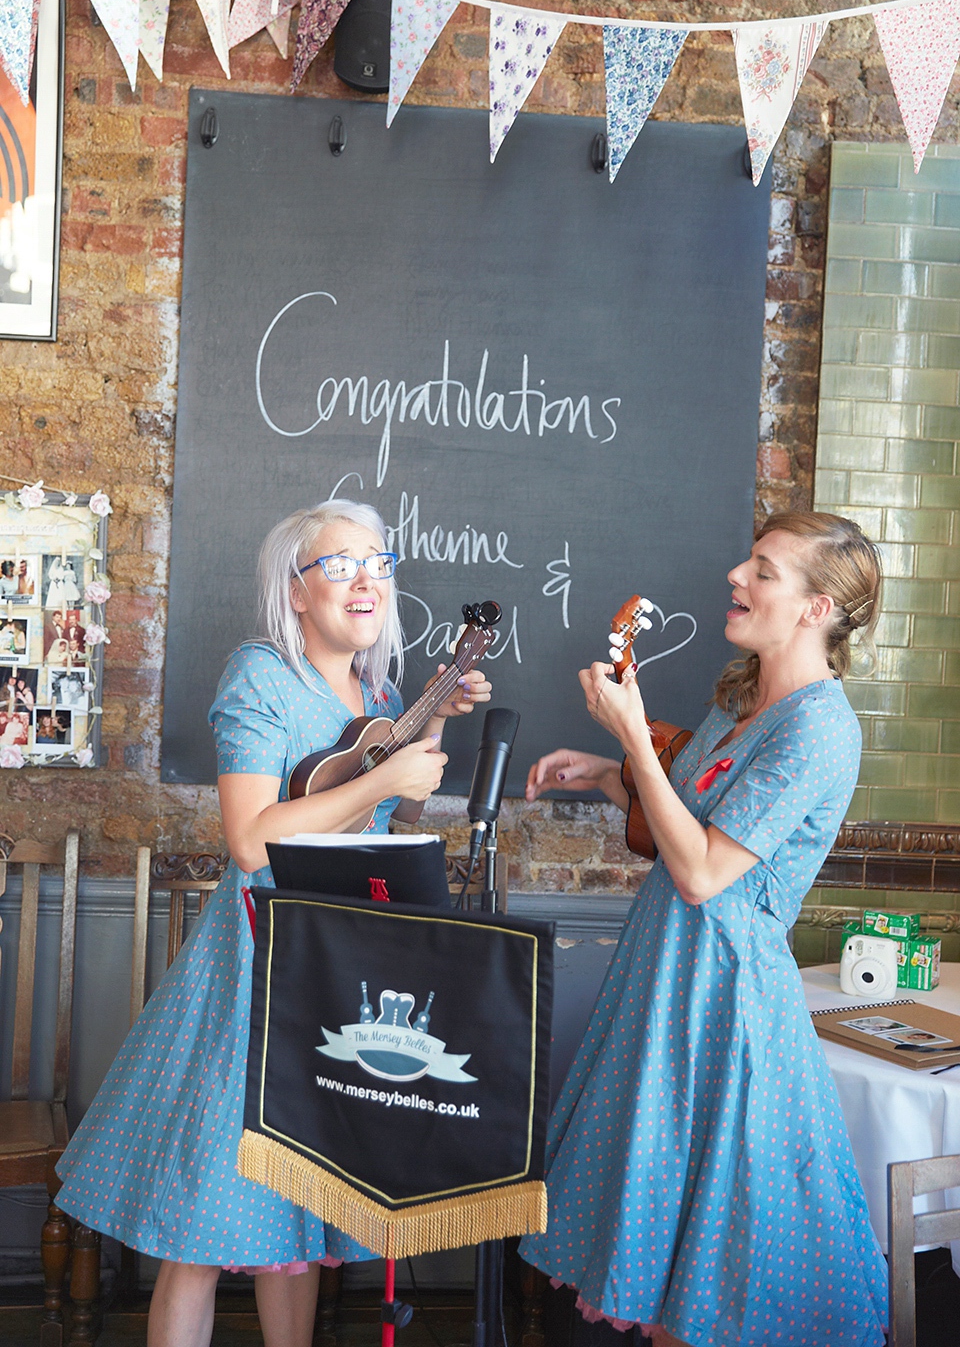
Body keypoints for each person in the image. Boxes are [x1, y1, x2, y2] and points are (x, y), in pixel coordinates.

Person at [55, 498, 492, 1347]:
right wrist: (383, 780)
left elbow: (370, 819)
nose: (365, 579)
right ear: (296, 591)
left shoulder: (380, 689)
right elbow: (252, 842)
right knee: (204, 1225)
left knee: (298, 1217)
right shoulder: (259, 675)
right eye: (339, 564)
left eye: (378, 562)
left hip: (339, 958)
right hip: (257, 959)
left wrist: (434, 721)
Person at [518, 512, 887, 1347]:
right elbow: (684, 816)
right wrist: (609, 772)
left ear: (814, 608)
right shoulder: (739, 703)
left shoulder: (822, 730)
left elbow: (704, 872)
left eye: (763, 570)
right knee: (661, 1265)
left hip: (724, 1006)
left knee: (710, 1283)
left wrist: (632, 738)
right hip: (663, 986)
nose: (736, 576)